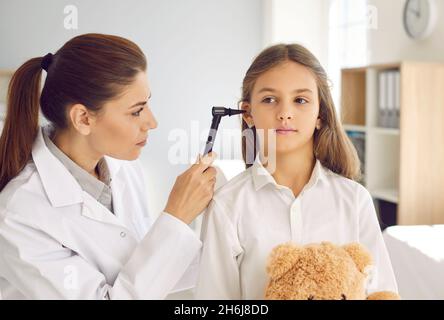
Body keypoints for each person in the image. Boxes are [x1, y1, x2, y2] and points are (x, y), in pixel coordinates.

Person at [0, 33, 217, 299]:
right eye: (136, 111)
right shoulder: (19, 214)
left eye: (148, 103)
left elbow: (143, 269)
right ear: (83, 118)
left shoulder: (122, 168)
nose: (152, 122)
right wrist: (177, 215)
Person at [194, 43, 398, 299]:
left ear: (320, 114)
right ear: (248, 114)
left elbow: (380, 292)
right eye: (269, 100)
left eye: (300, 100)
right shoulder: (227, 206)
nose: (285, 113)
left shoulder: (355, 200)